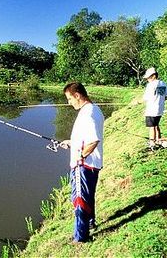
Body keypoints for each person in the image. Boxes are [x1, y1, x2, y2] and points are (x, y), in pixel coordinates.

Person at [60, 82, 104, 243]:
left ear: (77, 95)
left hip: (84, 165)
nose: (69, 102)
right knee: (88, 196)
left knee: (79, 200)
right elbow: (87, 136)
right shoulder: (94, 109)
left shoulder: (88, 113)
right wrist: (72, 142)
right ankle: (90, 223)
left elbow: (93, 141)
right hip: (92, 164)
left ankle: (80, 237)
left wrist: (81, 157)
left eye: (70, 98)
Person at [142, 67, 167, 146]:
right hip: (160, 109)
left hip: (151, 109)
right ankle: (158, 140)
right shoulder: (163, 83)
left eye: (148, 78)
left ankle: (152, 143)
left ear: (153, 76)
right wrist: (160, 100)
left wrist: (136, 102)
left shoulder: (150, 85)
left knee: (152, 127)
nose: (147, 79)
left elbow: (145, 98)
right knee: (156, 124)